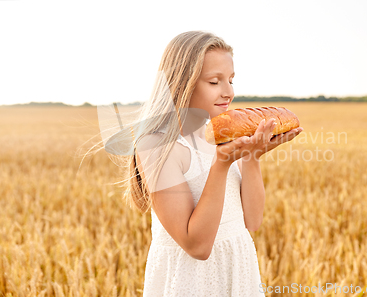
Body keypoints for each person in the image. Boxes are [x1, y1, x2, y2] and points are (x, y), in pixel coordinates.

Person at [125, 31, 302, 297]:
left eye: (231, 80)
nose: (228, 92)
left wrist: (251, 157)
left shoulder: (223, 135)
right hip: (192, 280)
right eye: (214, 81)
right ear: (182, 82)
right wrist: (222, 164)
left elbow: (252, 221)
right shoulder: (157, 146)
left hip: (239, 266)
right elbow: (197, 246)